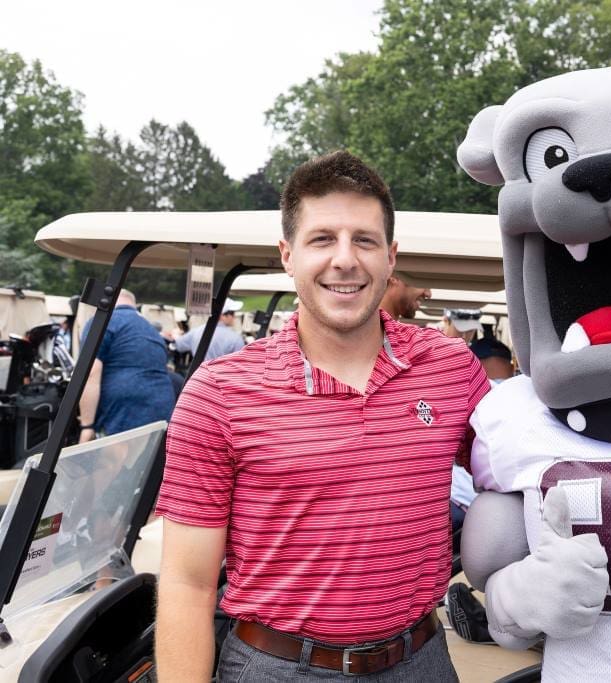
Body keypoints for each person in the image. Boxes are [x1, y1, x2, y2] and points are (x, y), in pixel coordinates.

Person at [154, 150, 489, 682]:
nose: (345, 259)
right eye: (322, 239)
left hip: (421, 661)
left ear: (391, 256)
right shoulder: (220, 393)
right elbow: (186, 583)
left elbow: (518, 480)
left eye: (364, 239)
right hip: (278, 667)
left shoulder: (449, 369)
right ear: (287, 255)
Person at [78, 289, 176, 443]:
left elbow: (90, 374)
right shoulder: (152, 330)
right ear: (133, 304)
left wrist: (87, 426)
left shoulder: (101, 322)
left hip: (123, 411)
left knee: (110, 465)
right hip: (163, 407)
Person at [167, 297, 245, 361]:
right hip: (223, 378)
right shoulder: (236, 339)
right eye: (232, 314)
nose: (234, 317)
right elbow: (241, 362)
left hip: (198, 377)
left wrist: (175, 335)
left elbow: (177, 345)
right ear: (222, 316)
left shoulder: (196, 331)